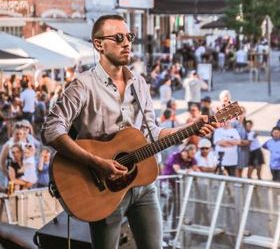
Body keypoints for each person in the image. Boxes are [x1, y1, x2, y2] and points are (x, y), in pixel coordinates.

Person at [41, 14, 216, 249]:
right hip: (102, 187)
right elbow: (51, 130)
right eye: (119, 37)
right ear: (99, 44)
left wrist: (190, 128)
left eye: (129, 37)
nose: (127, 43)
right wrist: (97, 162)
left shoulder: (139, 83)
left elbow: (151, 133)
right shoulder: (83, 85)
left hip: (143, 183)